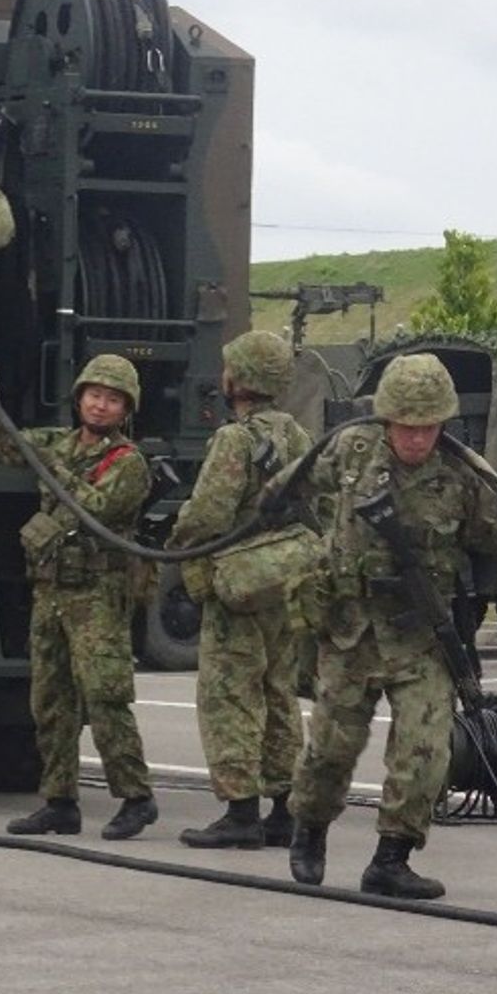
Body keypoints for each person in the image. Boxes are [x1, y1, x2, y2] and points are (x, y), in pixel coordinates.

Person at [272, 353, 497, 899]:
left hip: (421, 636)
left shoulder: (462, 474)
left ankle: (391, 859)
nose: (418, 438)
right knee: (330, 749)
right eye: (407, 426)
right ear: (386, 419)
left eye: (429, 427)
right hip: (351, 630)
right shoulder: (351, 451)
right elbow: (288, 488)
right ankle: (309, 829)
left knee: (425, 750)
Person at [1, 354, 158, 840]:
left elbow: (95, 508)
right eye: (94, 395)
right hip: (51, 590)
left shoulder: (127, 462)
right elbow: (6, 443)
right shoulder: (60, 444)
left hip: (97, 594)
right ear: (79, 398)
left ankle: (136, 797)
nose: (100, 406)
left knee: (105, 695)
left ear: (126, 409)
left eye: (112, 400)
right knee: (50, 700)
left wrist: (53, 468)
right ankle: (59, 801)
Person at [167, 330, 312, 849]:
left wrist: (176, 539)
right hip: (283, 579)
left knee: (229, 693)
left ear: (240, 378)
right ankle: (284, 811)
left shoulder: (235, 439)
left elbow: (209, 513)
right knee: (279, 691)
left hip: (239, 582)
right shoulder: (297, 434)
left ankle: (240, 811)